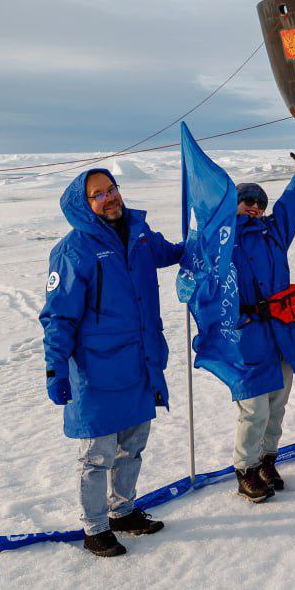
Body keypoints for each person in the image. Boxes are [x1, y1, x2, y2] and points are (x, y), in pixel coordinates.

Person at [40, 169, 183, 557]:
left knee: (132, 448)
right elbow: (58, 317)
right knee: (96, 456)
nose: (109, 198)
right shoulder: (74, 250)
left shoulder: (139, 235)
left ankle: (122, 511)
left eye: (111, 189)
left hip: (140, 364)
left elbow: (172, 252)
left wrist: (205, 239)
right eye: (98, 194)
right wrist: (55, 369)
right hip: (97, 372)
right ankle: (95, 528)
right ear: (84, 205)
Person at [228, 135, 295, 501]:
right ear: (234, 205)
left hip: (283, 331)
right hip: (249, 333)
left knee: (277, 403)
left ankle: (268, 459)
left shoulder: (275, 231)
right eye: (247, 201)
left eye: (259, 202)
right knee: (253, 407)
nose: (255, 207)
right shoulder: (224, 240)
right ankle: (246, 469)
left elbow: (294, 199)